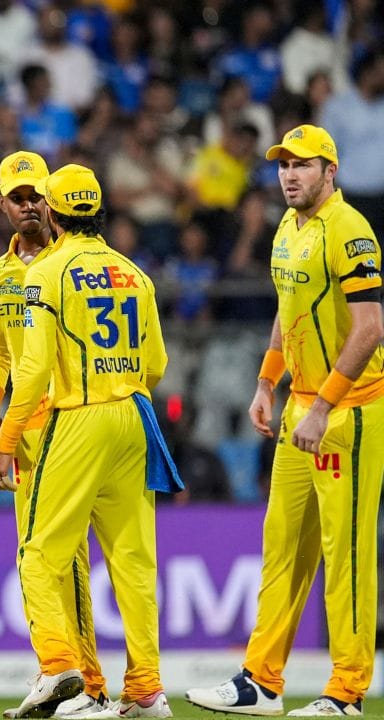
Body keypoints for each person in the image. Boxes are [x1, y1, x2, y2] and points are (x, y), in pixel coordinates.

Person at [186, 126, 384, 716]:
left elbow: (371, 328)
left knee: (345, 553)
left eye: (302, 165)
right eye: (283, 165)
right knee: (283, 547)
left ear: (330, 170)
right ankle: (261, 681)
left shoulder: (349, 229)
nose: (289, 175)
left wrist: (322, 407)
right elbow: (286, 308)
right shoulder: (287, 227)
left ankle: (346, 691)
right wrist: (265, 382)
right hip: (301, 404)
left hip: (349, 411)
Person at [0, 164, 178, 719]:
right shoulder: (135, 273)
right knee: (134, 561)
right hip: (135, 416)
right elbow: (158, 364)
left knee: (38, 554)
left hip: (78, 418)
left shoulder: (45, 273)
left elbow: (31, 369)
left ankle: (57, 665)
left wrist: (6, 440)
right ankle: (146, 690)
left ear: (52, 210)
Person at [0, 151, 108, 719]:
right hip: (24, 428)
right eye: (19, 197)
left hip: (69, 421)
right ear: (2, 204)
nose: (29, 206)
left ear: (52, 202)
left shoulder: (72, 261)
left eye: (37, 196)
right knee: (53, 556)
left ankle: (80, 679)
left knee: (54, 556)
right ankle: (77, 680)